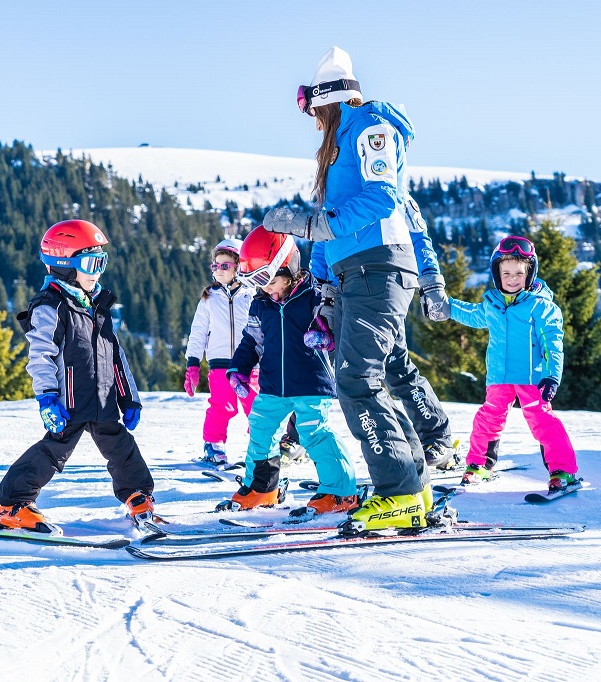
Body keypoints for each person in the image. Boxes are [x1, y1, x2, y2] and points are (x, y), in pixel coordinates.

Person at [264, 46, 454, 534]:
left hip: (380, 266)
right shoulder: (336, 149)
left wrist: (311, 225)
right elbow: (330, 230)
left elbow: (384, 196)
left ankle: (399, 493)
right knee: (368, 378)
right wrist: (323, 290)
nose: (311, 121)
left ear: (327, 102)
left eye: (311, 111)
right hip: (354, 274)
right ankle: (411, 485)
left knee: (357, 381)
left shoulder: (370, 126)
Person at [0, 219, 155, 532]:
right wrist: (47, 398)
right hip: (69, 401)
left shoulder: (96, 305)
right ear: (64, 264)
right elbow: (40, 356)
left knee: (121, 447)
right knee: (53, 451)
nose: (97, 272)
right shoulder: (51, 306)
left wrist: (129, 397)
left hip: (103, 399)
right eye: (91, 263)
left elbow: (116, 356)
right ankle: (11, 505)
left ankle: (138, 497)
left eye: (101, 262)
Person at [219, 226, 358, 516]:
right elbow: (252, 341)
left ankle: (341, 492)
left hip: (311, 381)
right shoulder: (261, 304)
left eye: (268, 279)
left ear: (289, 266)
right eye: (256, 282)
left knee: (312, 433)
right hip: (273, 385)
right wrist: (239, 369)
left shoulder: (314, 295)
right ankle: (263, 488)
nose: (265, 288)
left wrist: (327, 334)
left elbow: (335, 321)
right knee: (260, 430)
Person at [447, 235, 580, 492]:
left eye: (519, 273)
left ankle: (562, 471)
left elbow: (553, 343)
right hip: (499, 377)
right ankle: (479, 465)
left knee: (542, 420)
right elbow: (470, 314)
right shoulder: (493, 304)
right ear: (497, 274)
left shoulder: (541, 306)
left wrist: (553, 376)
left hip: (532, 377)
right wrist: (446, 306)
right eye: (505, 272)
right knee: (488, 418)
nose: (512, 279)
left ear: (530, 274)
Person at [184, 239, 305, 467]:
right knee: (221, 406)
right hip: (219, 365)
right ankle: (214, 445)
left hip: (251, 365)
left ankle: (261, 448)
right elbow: (198, 332)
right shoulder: (209, 298)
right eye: (215, 265)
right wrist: (192, 363)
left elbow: (264, 328)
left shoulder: (253, 295)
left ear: (239, 266)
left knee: (257, 407)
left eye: (225, 266)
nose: (218, 271)